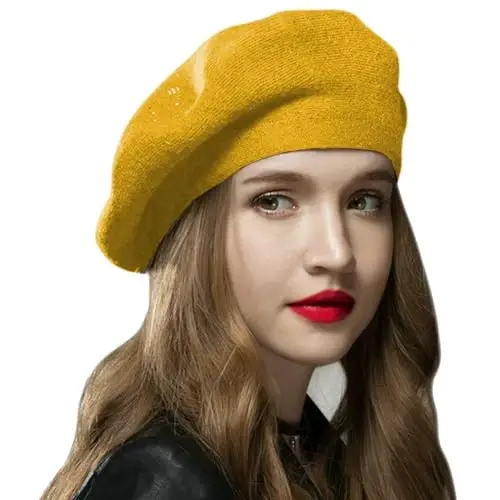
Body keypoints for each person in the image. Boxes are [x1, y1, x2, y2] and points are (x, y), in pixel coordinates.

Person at [41, 9, 456, 500]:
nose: (336, 252)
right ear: (198, 237)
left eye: (364, 201)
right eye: (274, 201)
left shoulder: (318, 454)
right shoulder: (168, 482)